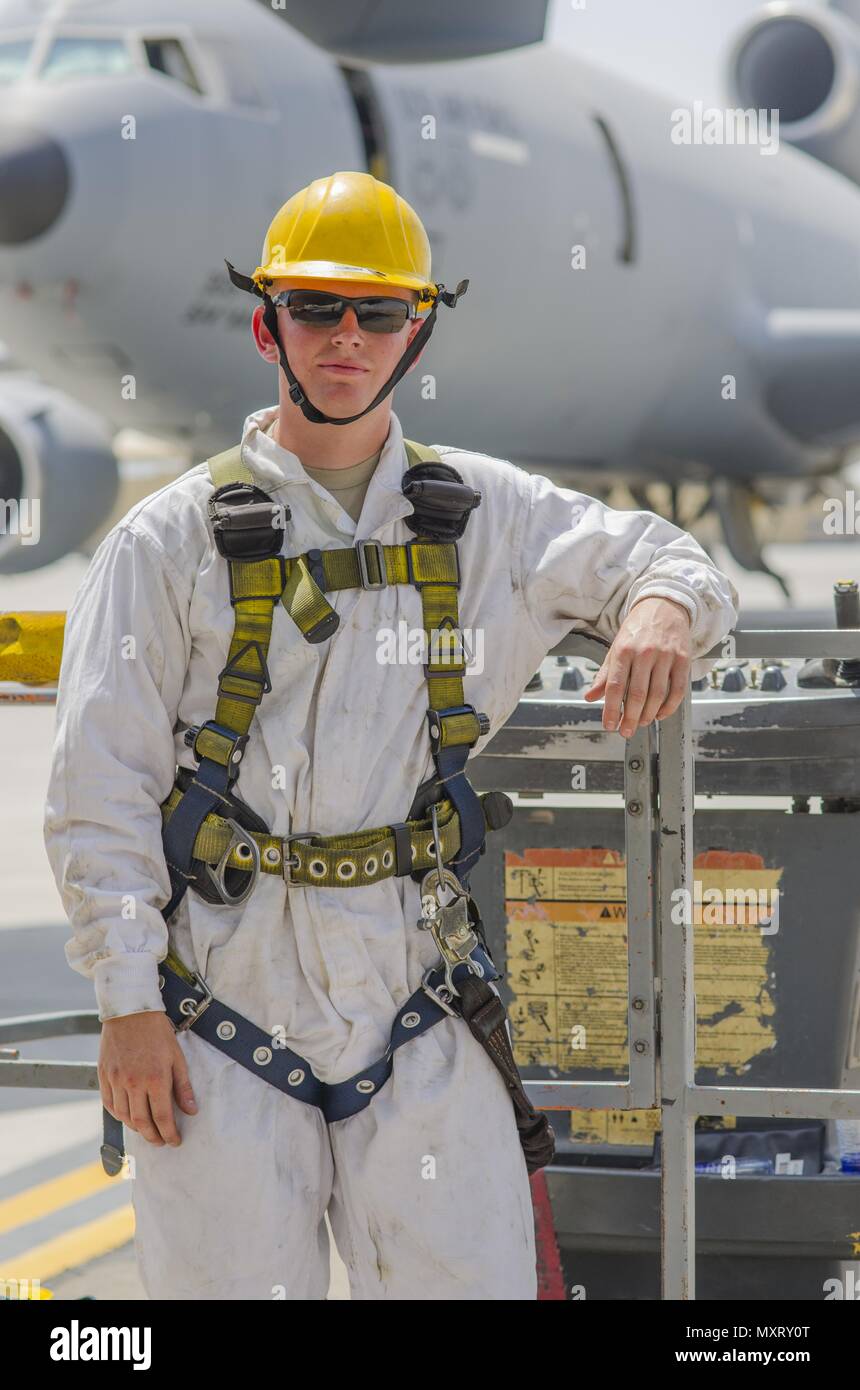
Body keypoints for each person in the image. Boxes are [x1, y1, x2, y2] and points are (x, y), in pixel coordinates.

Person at [43, 170, 739, 1301]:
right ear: (268, 322)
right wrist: (127, 1007)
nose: (347, 337)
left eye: (379, 312)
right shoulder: (165, 543)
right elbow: (97, 786)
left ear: (416, 329)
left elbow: (667, 559)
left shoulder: (485, 514)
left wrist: (660, 611)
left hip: (418, 999)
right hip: (221, 1004)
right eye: (317, 308)